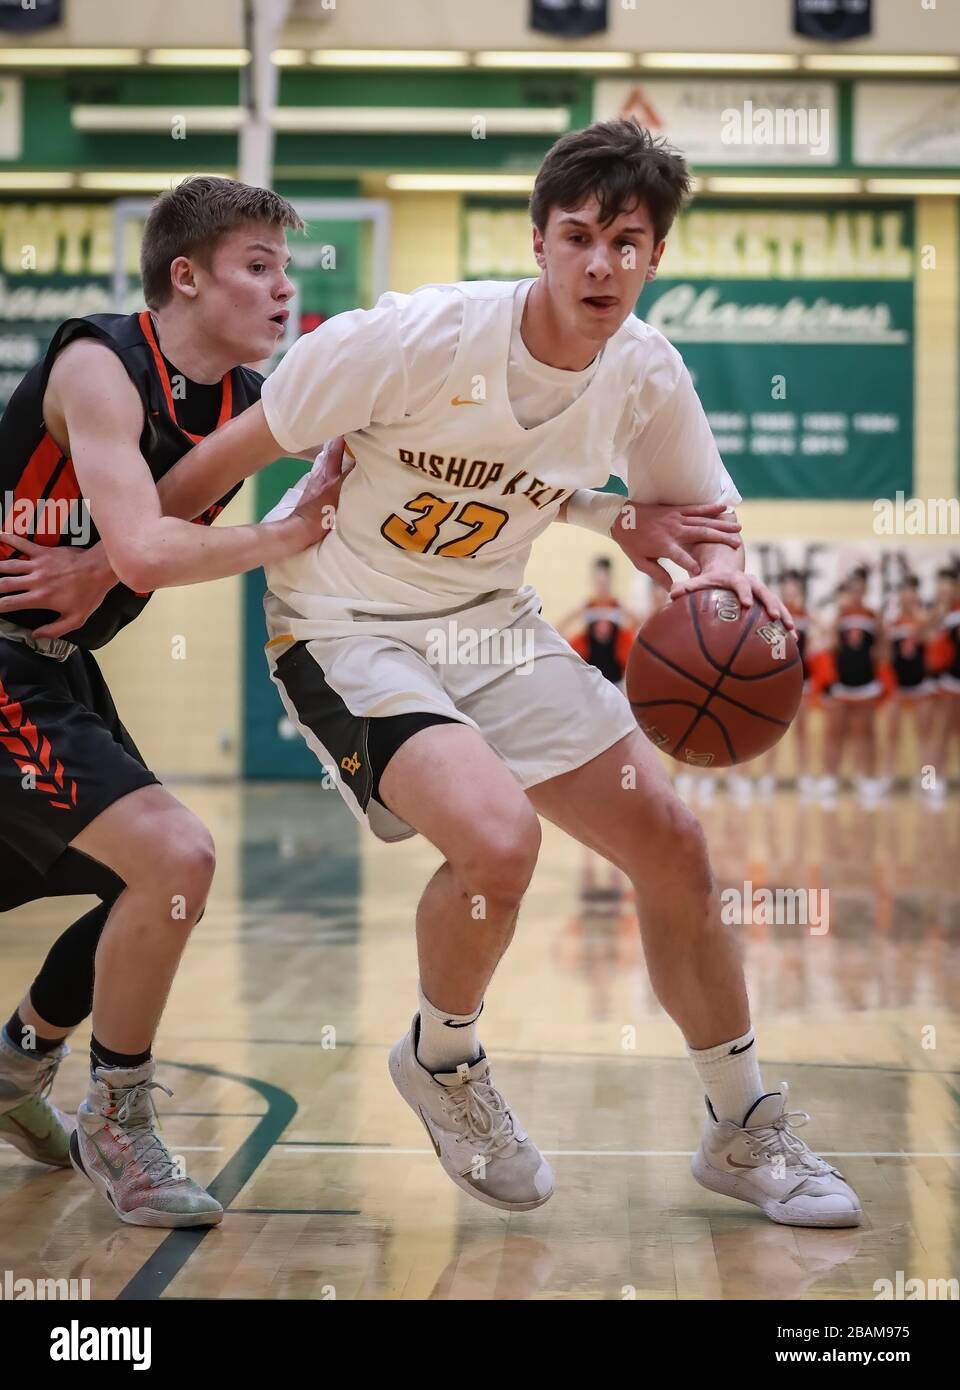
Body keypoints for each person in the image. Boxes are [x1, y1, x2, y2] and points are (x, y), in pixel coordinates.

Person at [163, 120, 862, 1228]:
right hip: (348, 628)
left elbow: (705, 519)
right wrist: (112, 555)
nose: (601, 264)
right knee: (498, 837)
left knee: (674, 843)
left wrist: (730, 583)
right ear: (537, 240)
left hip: (495, 623)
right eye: (578, 236)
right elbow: (216, 463)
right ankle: (444, 1061)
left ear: (654, 258)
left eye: (627, 243)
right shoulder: (410, 337)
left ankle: (743, 1125)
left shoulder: (643, 372)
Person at [0, 176, 339, 1226]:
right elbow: (151, 546)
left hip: (53, 669)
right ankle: (116, 1114)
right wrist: (282, 534)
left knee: (135, 887)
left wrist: (95, 567)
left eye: (288, 269)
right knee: (175, 858)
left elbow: (165, 511)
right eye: (259, 267)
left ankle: (16, 1066)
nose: (284, 290)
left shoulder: (241, 399)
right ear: (184, 277)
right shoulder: (98, 363)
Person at [821, 568, 884, 810]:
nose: (856, 591)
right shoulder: (840, 615)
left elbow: (883, 651)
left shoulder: (873, 616)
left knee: (866, 734)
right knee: (834, 733)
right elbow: (831, 647)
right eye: (852, 587)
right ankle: (830, 781)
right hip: (842, 684)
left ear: (865, 589)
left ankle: (867, 780)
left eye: (860, 587)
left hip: (866, 684)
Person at [558, 555, 640, 686]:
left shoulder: (617, 605)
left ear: (611, 580)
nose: (602, 586)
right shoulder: (588, 606)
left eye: (605, 582)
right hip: (591, 676)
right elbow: (559, 629)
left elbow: (638, 625)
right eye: (599, 582)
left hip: (615, 677)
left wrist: (624, 606)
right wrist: (577, 610)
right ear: (594, 581)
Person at [884, 574, 933, 790]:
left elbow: (928, 638)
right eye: (904, 591)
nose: (908, 595)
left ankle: (927, 781)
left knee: (925, 736)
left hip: (920, 685)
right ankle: (888, 778)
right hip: (898, 686)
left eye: (912, 591)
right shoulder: (892, 623)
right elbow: (885, 654)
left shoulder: (923, 620)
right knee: (892, 734)